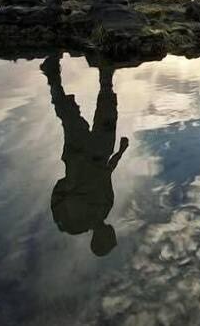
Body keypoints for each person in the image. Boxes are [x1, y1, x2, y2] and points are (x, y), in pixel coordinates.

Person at [41, 55, 129, 257]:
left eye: (110, 238)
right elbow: (107, 173)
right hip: (101, 152)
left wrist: (69, 183)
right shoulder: (106, 208)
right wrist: (121, 151)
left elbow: (59, 198)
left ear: (99, 240)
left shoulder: (75, 223)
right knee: (107, 109)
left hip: (79, 155)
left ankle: (52, 75)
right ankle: (105, 69)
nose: (111, 233)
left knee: (68, 114)